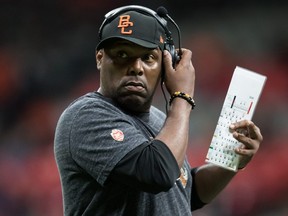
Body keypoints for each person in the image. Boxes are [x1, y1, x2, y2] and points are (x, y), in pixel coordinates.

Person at [54, 5, 263, 216]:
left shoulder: (161, 118)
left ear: (166, 65)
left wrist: (232, 160)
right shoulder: (85, 115)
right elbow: (157, 173)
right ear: (100, 58)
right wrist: (182, 96)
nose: (136, 67)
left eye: (148, 58)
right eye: (122, 54)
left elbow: (186, 194)